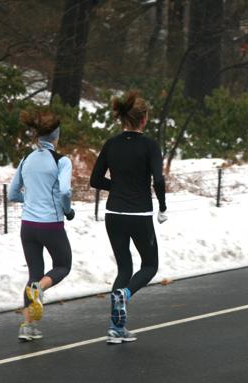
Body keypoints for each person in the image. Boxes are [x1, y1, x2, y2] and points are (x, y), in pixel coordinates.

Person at [90, 90, 167, 344]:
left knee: (124, 267)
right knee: (150, 265)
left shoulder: (111, 144)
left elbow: (95, 180)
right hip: (139, 214)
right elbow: (159, 179)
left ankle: (116, 328)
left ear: (123, 119)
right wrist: (163, 207)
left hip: (113, 214)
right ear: (144, 119)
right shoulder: (150, 146)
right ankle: (126, 293)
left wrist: (119, 187)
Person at [9, 108, 75, 342]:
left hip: (27, 226)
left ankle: (28, 327)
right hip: (51, 225)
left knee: (34, 273)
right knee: (63, 265)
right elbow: (65, 191)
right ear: (56, 137)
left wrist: (31, 200)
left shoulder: (26, 159)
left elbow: (11, 193)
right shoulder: (62, 161)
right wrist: (67, 210)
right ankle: (39, 290)